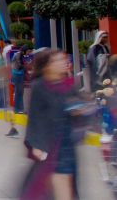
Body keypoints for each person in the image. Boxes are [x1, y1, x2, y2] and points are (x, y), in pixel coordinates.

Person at [22, 49, 78, 200]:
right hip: (51, 143)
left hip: (67, 142)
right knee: (55, 183)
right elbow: (35, 116)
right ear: (46, 66)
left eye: (63, 59)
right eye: (56, 60)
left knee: (65, 182)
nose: (62, 63)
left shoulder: (67, 85)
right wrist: (36, 144)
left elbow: (75, 110)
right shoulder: (40, 86)